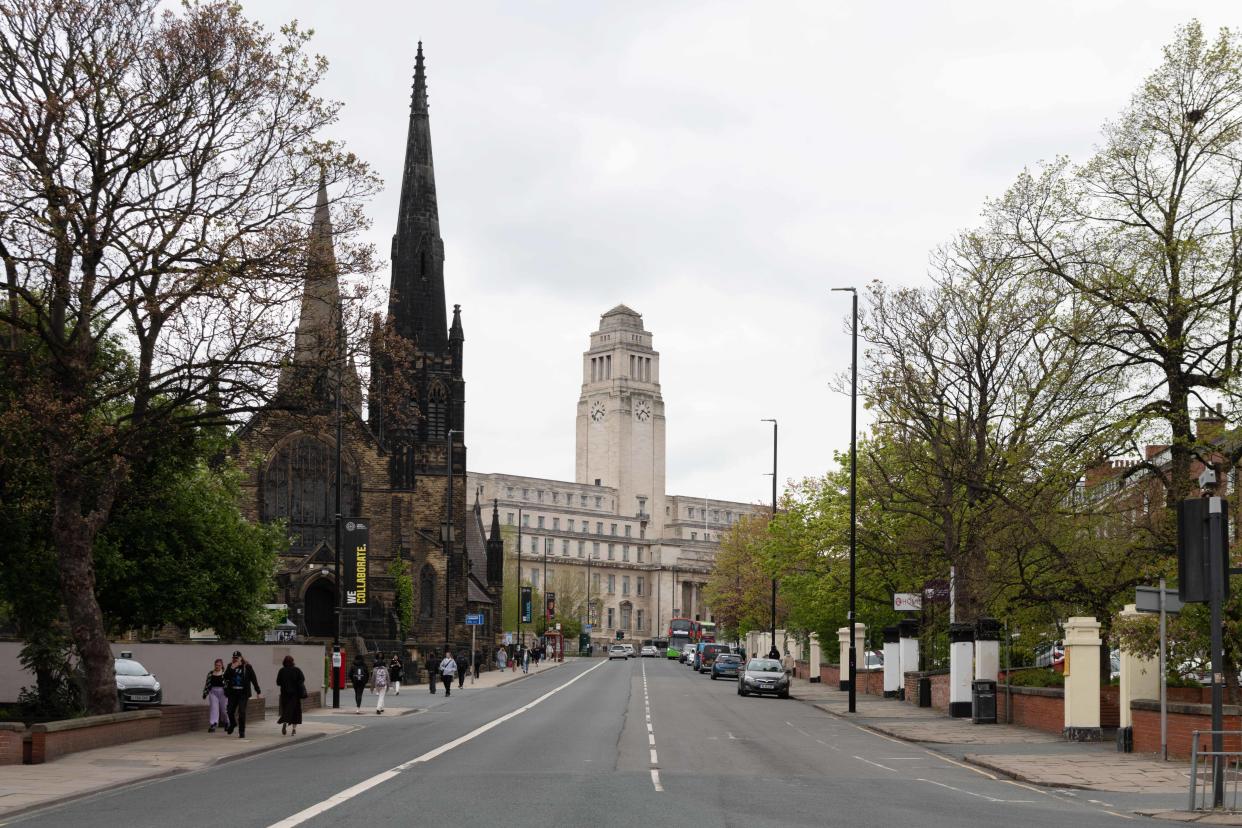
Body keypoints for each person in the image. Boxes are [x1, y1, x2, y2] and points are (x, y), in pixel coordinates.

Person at [223, 650, 261, 739]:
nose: (235, 659)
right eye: (234, 658)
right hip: (233, 693)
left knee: (242, 712)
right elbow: (225, 677)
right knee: (229, 710)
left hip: (243, 694)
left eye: (237, 658)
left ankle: (242, 731)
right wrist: (232, 668)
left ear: (241, 658)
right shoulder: (230, 666)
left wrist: (258, 691)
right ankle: (233, 724)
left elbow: (253, 679)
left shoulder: (247, 667)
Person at [276, 654, 306, 736]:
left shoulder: (281, 671)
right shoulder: (297, 670)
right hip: (295, 695)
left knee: (286, 710)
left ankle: (285, 722)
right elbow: (302, 679)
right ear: (292, 662)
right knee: (295, 712)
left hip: (285, 694)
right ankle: (294, 729)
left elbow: (278, 682)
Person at [202, 658, 228, 733]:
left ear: (222, 665)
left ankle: (227, 722)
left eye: (219, 665)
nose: (217, 666)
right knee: (214, 708)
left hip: (223, 692)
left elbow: (228, 684)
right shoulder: (210, 673)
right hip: (213, 692)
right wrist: (205, 693)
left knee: (224, 709)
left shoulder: (224, 674)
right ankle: (213, 724)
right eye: (216, 665)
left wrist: (229, 693)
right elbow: (207, 684)